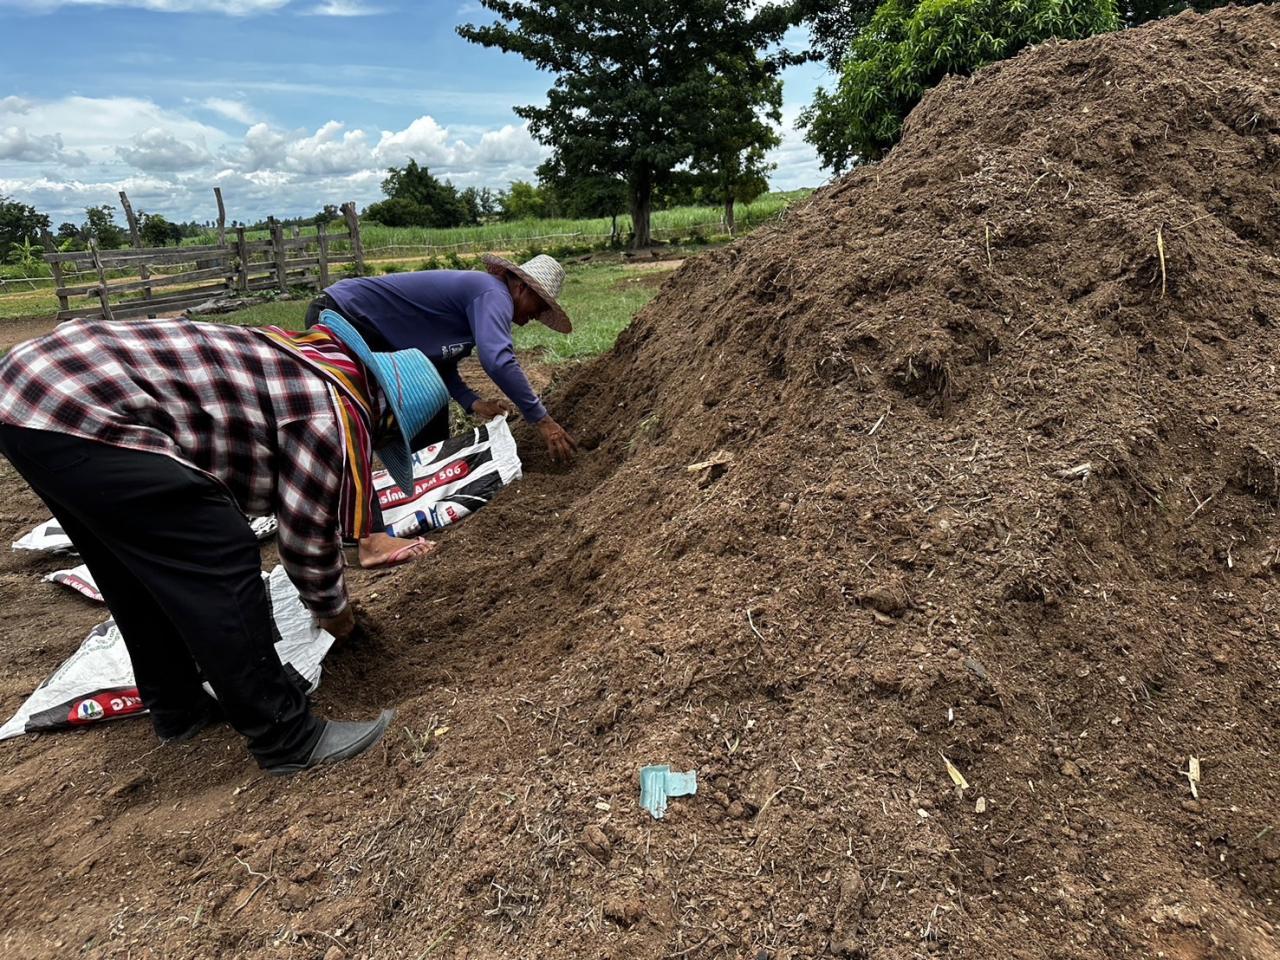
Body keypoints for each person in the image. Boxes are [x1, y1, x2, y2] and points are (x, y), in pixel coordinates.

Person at [0, 310, 448, 775]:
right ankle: (288, 737)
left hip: (29, 396)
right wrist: (338, 616)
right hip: (80, 404)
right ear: (387, 420)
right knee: (220, 552)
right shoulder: (330, 410)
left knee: (132, 571)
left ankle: (178, 709)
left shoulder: (309, 358)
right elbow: (306, 543)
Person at [306, 254, 579, 569]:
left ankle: (415, 503)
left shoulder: (481, 300)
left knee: (431, 408)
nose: (537, 315)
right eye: (540, 306)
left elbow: (435, 363)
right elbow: (498, 359)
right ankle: (372, 539)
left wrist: (473, 402)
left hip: (367, 326)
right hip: (345, 316)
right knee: (357, 420)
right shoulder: (493, 293)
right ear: (521, 288)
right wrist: (543, 420)